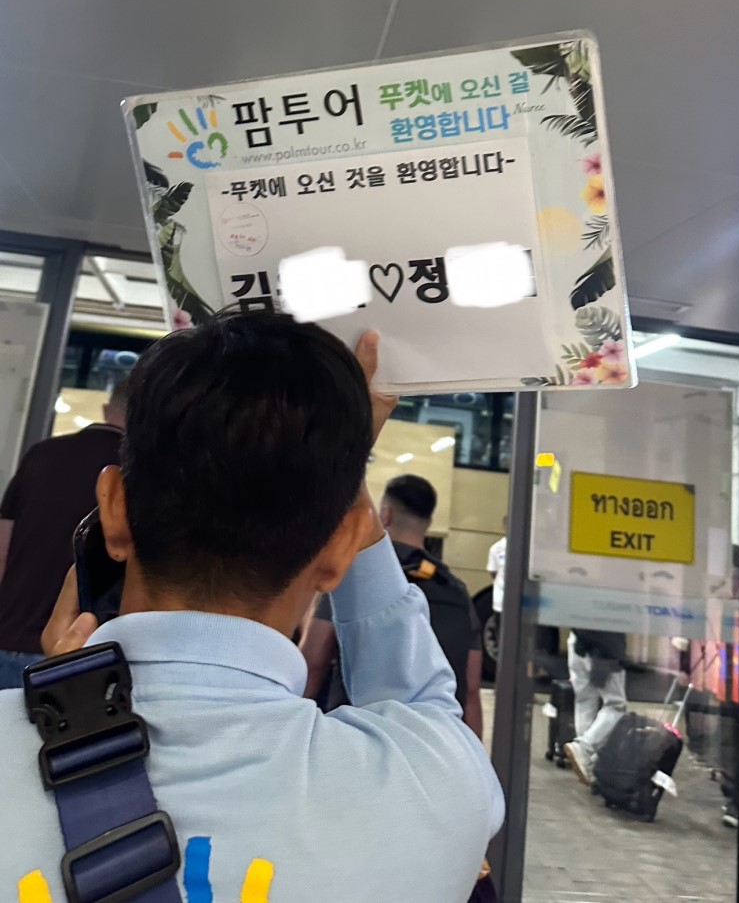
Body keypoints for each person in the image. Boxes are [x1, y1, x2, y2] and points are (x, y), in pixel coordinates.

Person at [0, 313, 503, 902]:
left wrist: (76, 709)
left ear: (113, 509)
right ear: (343, 548)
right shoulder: (432, 788)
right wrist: (341, 482)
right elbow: (423, 709)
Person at [302, 473, 485, 737]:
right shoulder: (456, 590)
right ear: (428, 522)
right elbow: (471, 689)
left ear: (385, 515)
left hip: (358, 742)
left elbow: (314, 662)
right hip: (431, 746)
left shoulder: (355, 576)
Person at [0, 377, 129, 688]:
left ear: (106, 408)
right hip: (79, 651)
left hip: (8, 634)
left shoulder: (41, 454)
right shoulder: (134, 473)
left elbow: (2, 550)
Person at [564, 628, 628, 784]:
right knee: (616, 705)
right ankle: (584, 748)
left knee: (585, 701)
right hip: (604, 648)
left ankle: (587, 762)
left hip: (577, 642)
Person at [487, 518, 507, 635]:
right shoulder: (496, 549)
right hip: (501, 601)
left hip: (520, 603)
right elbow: (493, 572)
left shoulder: (526, 548)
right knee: (500, 634)